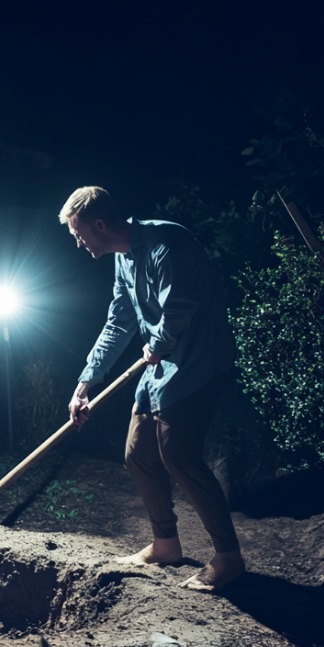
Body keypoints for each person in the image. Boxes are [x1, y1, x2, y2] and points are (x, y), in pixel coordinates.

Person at [59, 186, 244, 591]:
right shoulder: (123, 260)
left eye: (78, 233)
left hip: (198, 361)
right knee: (138, 453)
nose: (77, 242)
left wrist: (158, 343)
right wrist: (85, 383)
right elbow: (118, 321)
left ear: (100, 225)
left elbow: (179, 307)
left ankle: (229, 557)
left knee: (179, 454)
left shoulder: (166, 242)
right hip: (160, 366)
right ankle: (165, 545)